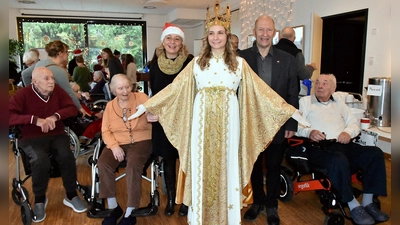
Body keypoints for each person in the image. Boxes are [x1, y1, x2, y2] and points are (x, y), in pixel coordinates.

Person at [128, 2, 310, 224]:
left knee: (228, 163)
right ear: (207, 37)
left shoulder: (240, 64)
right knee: (202, 164)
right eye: (211, 33)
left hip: (229, 123)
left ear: (227, 35)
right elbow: (174, 90)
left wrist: (292, 112)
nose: (216, 37)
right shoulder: (195, 64)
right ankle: (200, 216)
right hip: (201, 122)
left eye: (220, 33)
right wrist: (147, 106)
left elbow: (263, 93)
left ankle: (228, 215)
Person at [295, 73, 390, 225]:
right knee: (338, 160)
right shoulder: (305, 102)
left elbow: (353, 123)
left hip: (342, 144)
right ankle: (353, 205)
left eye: (325, 83)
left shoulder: (339, 102)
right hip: (319, 147)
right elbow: (297, 126)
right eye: (317, 83)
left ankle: (367, 202)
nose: (320, 85)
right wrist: (309, 132)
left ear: (333, 88)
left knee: (375, 153)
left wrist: (348, 132)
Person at [239, 15, 299, 225]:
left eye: (269, 30)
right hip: (250, 124)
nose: (265, 34)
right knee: (254, 166)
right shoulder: (241, 58)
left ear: (275, 33)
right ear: (254, 32)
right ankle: (258, 202)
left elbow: (293, 92)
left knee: (274, 166)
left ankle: (272, 205)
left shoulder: (288, 59)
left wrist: (292, 123)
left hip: (278, 124)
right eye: (261, 30)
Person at [9, 67, 87, 222]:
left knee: (67, 156)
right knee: (40, 160)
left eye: (52, 78)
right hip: (30, 136)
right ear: (34, 81)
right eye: (46, 79)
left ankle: (71, 195)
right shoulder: (23, 94)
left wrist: (55, 116)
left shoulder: (57, 91)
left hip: (56, 133)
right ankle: (39, 199)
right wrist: (35, 120)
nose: (51, 81)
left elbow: (71, 108)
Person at [148, 22, 194, 217]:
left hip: (184, 119)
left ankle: (185, 200)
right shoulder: (154, 64)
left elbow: (193, 92)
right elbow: (155, 93)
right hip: (163, 120)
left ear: (181, 42)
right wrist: (151, 111)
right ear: (163, 41)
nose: (172, 42)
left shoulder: (190, 62)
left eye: (176, 39)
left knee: (186, 162)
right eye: (169, 38)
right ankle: (171, 200)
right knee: (168, 160)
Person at [98, 74, 152, 225]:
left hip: (142, 139)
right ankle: (114, 207)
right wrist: (114, 146)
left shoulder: (141, 97)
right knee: (103, 163)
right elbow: (105, 131)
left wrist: (153, 114)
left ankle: (130, 211)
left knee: (133, 163)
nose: (125, 91)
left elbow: (155, 111)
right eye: (120, 88)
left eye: (127, 87)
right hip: (118, 141)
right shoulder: (110, 106)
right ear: (113, 90)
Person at [21, 40, 90, 117]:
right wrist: (80, 108)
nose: (67, 54)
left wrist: (30, 90)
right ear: (60, 54)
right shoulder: (59, 71)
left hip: (35, 104)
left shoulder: (40, 63)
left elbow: (24, 74)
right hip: (50, 107)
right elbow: (69, 93)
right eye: (66, 52)